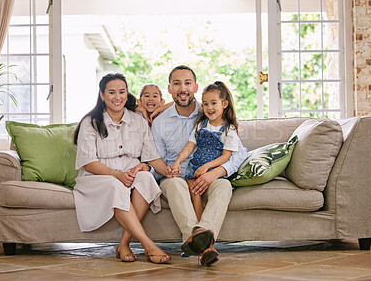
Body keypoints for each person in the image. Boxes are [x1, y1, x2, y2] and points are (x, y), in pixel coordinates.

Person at [151, 65, 247, 266]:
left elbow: (240, 153)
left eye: (187, 83)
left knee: (224, 185)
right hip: (174, 177)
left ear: (195, 87)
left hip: (208, 173)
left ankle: (196, 240)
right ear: (169, 89)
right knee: (176, 184)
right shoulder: (160, 122)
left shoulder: (209, 113)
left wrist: (215, 173)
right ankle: (203, 245)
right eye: (176, 83)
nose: (182, 88)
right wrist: (165, 171)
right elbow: (156, 158)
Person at [73, 73, 173, 264]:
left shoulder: (139, 121)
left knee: (146, 178)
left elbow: (152, 156)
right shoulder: (90, 122)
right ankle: (148, 245)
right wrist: (116, 174)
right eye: (111, 92)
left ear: (127, 94)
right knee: (115, 185)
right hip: (99, 176)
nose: (117, 97)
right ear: (102, 95)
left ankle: (124, 243)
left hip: (129, 173)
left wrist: (169, 171)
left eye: (122, 92)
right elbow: (88, 162)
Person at [171, 81, 240, 221]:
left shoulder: (229, 129)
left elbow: (227, 156)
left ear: (224, 104)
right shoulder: (200, 125)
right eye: (205, 104)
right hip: (195, 168)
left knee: (201, 189)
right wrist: (177, 162)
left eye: (214, 103)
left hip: (212, 169)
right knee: (193, 190)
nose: (209, 107)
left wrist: (207, 166)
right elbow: (189, 147)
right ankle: (198, 226)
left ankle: (201, 229)